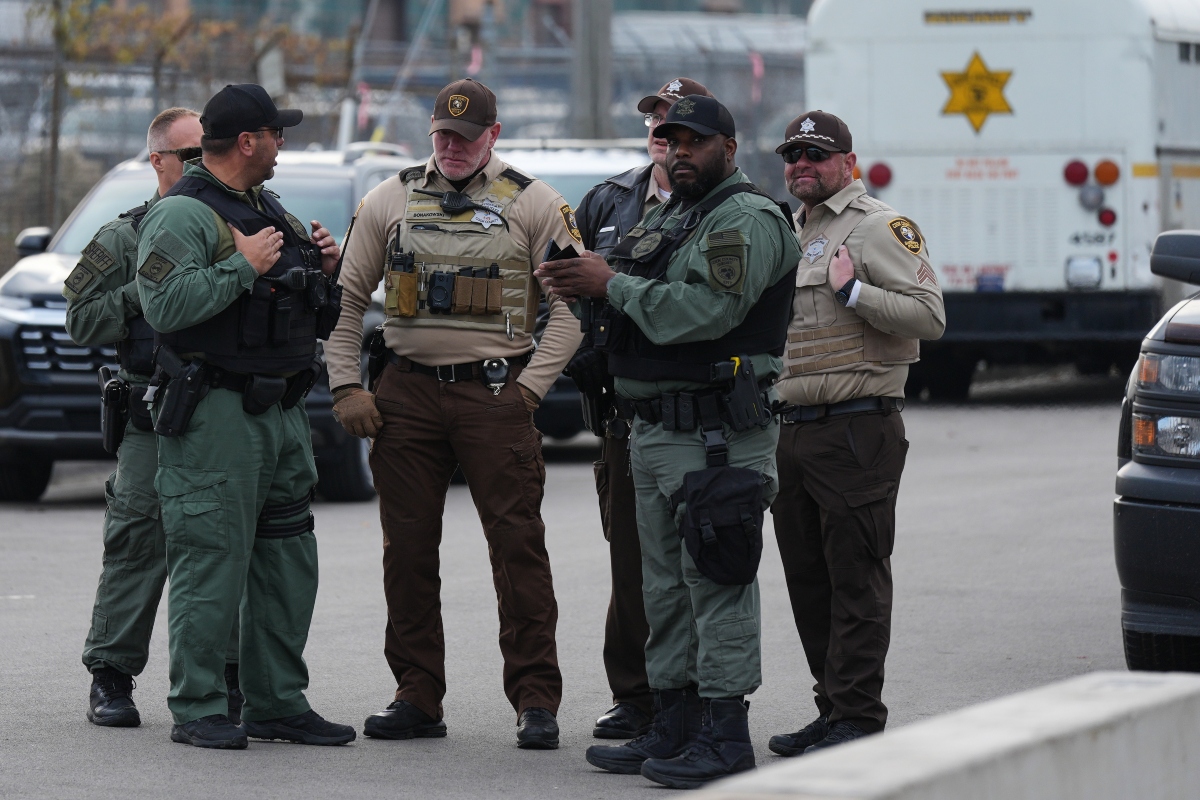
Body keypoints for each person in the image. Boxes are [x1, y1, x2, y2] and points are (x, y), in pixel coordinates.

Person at [536, 95, 801, 789]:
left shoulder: (744, 217)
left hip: (716, 434)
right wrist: (577, 283)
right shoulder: (671, 214)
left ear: (728, 146)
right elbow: (632, 298)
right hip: (654, 429)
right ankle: (674, 724)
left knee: (716, 585)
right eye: (668, 138)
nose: (679, 149)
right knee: (664, 591)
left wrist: (610, 282)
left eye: (694, 139)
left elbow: (705, 313)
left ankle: (724, 735)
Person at [324, 78, 583, 750]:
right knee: (406, 551)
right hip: (406, 394)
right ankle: (416, 695)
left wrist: (529, 392)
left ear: (493, 136)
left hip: (496, 392)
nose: (453, 148)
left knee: (516, 547)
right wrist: (346, 387)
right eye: (443, 135)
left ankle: (534, 699)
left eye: (466, 139)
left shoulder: (535, 203)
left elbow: (573, 312)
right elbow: (346, 304)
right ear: (430, 132)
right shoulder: (389, 198)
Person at [136, 84, 354, 750]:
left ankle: (276, 701)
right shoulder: (183, 214)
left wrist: (320, 269)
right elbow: (164, 309)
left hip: (281, 409)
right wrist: (239, 265)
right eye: (277, 133)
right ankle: (199, 704)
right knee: (211, 560)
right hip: (218, 415)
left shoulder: (267, 208)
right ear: (249, 141)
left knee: (287, 562)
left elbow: (298, 306)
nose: (284, 144)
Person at [766, 111, 945, 756]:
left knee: (856, 577)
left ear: (846, 160)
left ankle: (858, 716)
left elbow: (930, 316)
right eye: (793, 155)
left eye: (816, 154)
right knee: (807, 579)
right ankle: (831, 707)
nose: (802, 166)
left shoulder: (877, 227)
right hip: (791, 431)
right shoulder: (788, 231)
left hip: (856, 429)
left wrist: (854, 292)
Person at [67, 107, 249, 729]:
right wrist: (148, 288)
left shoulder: (241, 224)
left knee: (225, 548)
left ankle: (229, 679)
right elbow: (81, 318)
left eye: (209, 151)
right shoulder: (127, 235)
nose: (204, 164)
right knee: (137, 540)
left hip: (225, 412)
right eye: (190, 154)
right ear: (159, 161)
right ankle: (111, 676)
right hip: (152, 412)